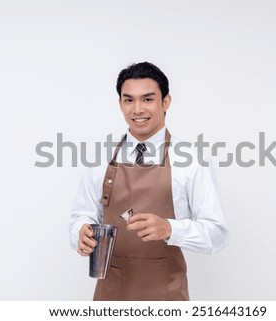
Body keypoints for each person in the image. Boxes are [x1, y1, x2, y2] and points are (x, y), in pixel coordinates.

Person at [69, 62, 228, 301]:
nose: (137, 109)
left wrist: (170, 229)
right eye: (129, 100)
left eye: (148, 99)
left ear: (165, 102)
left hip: (166, 295)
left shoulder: (192, 160)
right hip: (109, 294)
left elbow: (217, 234)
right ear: (120, 104)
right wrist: (79, 233)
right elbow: (82, 216)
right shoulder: (100, 158)